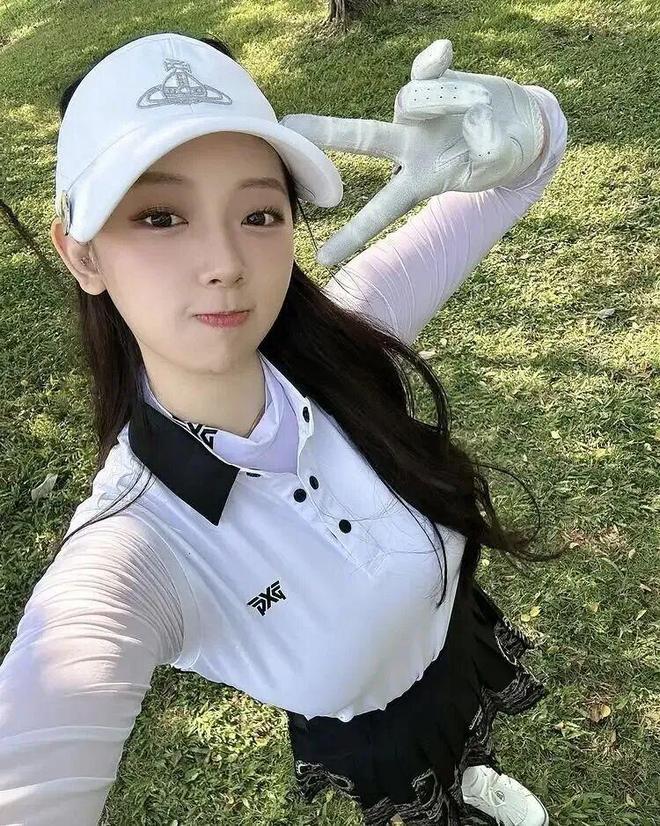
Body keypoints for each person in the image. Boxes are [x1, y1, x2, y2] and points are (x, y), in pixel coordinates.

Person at [0, 29, 569, 826]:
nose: (226, 262)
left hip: (451, 640)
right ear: (83, 255)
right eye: (161, 216)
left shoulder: (348, 336)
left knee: (465, 740)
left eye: (259, 213)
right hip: (371, 726)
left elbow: (535, 159)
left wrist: (524, 128)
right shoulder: (136, 547)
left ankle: (473, 774)